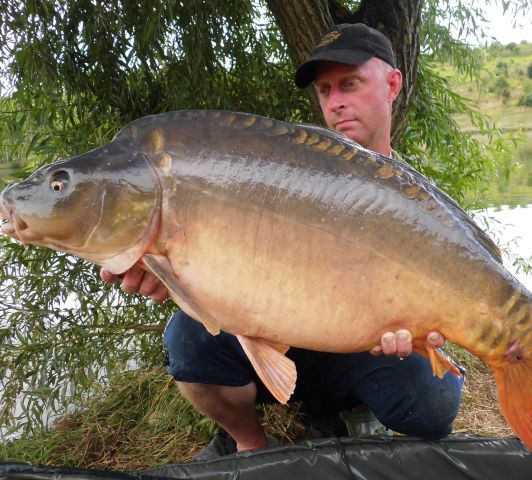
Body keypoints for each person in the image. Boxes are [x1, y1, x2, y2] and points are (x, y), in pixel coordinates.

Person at [101, 23, 463, 457]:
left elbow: (447, 303)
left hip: (359, 343)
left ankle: (357, 408)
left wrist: (422, 332)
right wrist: (180, 277)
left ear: (392, 85)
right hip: (272, 331)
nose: (336, 102)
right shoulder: (278, 171)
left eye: (349, 84)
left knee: (437, 400)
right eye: (325, 90)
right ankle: (250, 442)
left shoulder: (421, 208)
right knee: (187, 338)